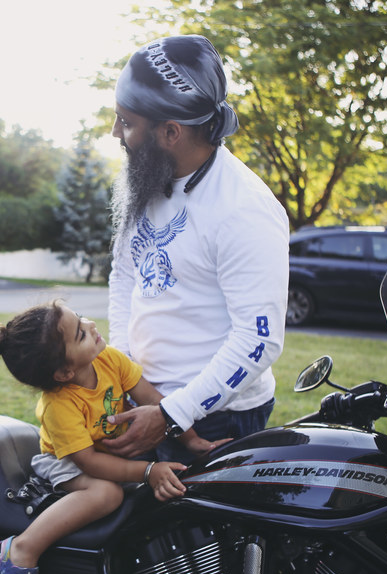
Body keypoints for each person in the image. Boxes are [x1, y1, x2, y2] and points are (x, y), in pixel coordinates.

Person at [104, 35, 290, 465]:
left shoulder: (244, 209)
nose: (116, 133)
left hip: (214, 419)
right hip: (145, 402)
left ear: (171, 132)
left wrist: (173, 413)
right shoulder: (150, 178)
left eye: (126, 122)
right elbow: (125, 275)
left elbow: (258, 340)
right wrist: (126, 370)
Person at [0, 301, 220, 574]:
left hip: (105, 453)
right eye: (80, 332)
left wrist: (192, 441)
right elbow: (89, 463)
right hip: (65, 460)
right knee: (107, 494)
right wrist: (148, 471)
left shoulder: (108, 359)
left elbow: (153, 401)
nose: (92, 324)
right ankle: (20, 550)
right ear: (65, 371)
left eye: (80, 317)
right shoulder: (60, 406)